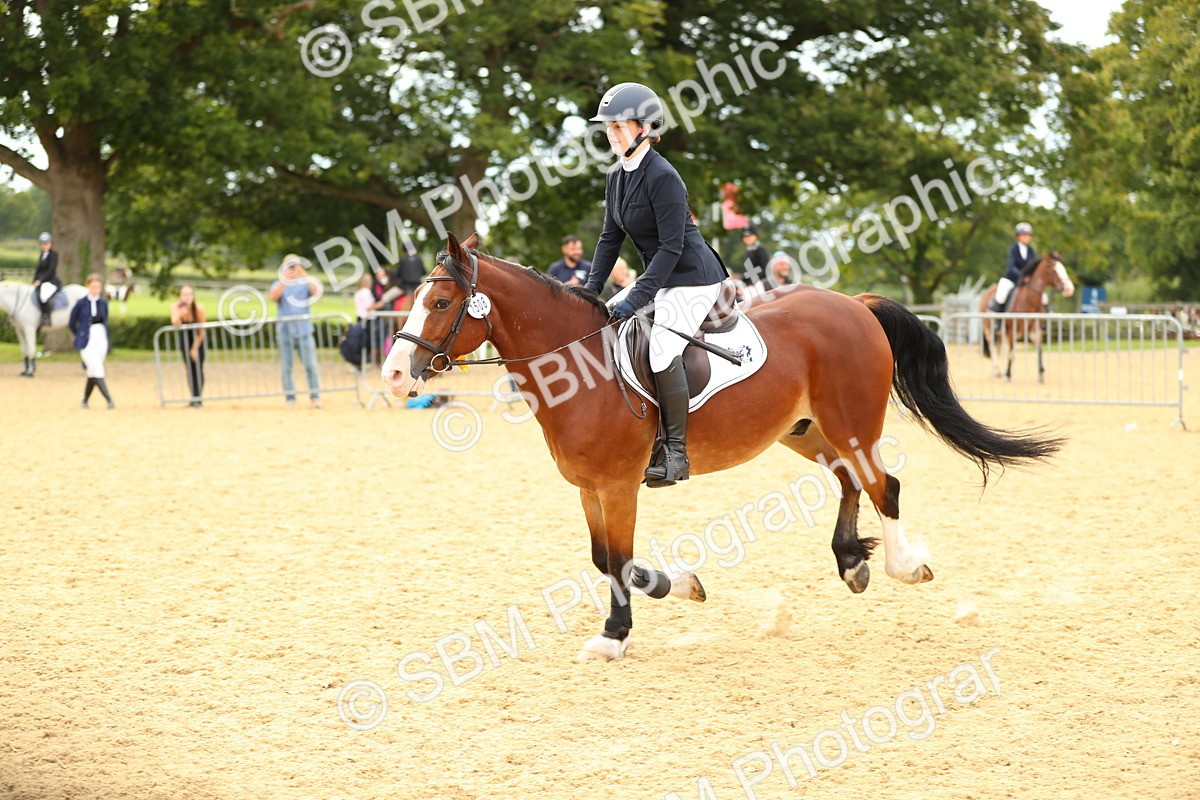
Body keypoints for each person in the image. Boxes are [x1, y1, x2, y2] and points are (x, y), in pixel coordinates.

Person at [583, 82, 729, 488]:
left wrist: (640, 295)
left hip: (691, 278)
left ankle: (676, 452)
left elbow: (671, 246)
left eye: (619, 125)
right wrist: (591, 291)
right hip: (658, 277)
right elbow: (609, 239)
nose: (611, 133)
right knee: (606, 325)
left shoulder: (664, 176)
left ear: (644, 128)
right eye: (607, 127)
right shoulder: (616, 176)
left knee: (663, 347)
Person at [269, 254, 322, 408]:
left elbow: (315, 291)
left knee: (311, 365)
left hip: (304, 330)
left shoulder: (305, 283)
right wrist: (285, 279)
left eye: (295, 266)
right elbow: (273, 296)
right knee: (286, 367)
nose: (292, 269)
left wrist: (304, 275)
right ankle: (290, 398)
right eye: (289, 266)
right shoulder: (279, 283)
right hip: (285, 330)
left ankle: (315, 396)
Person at [68, 273, 114, 409]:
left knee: (93, 371)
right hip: (87, 338)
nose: (96, 290)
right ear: (88, 286)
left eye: (98, 287)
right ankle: (109, 399)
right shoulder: (81, 303)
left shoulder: (103, 303)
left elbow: (106, 320)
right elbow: (71, 322)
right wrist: (79, 335)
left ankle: (85, 400)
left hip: (100, 337)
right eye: (93, 287)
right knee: (97, 369)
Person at [170, 285, 206, 407]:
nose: (187, 297)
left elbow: (201, 331)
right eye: (184, 294)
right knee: (189, 370)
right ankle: (193, 397)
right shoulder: (176, 307)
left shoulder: (199, 308)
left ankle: (198, 398)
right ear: (180, 296)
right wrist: (181, 313)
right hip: (184, 340)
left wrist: (194, 348)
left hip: (197, 341)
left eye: (189, 294)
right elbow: (175, 323)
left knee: (198, 369)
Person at [991, 222, 1039, 313]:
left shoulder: (1031, 251)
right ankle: (997, 320)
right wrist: (1022, 276)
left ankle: (1043, 320)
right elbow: (1011, 266)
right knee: (1001, 296)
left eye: (1028, 235)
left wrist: (1030, 277)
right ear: (1018, 236)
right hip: (1012, 278)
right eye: (1024, 235)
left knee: (1043, 297)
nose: (1026, 237)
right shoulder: (1013, 249)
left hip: (1027, 281)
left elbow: (1034, 267)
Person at [32, 232, 59, 328]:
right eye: (43, 243)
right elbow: (38, 270)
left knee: (43, 295)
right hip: (40, 281)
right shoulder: (42, 255)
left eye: (47, 243)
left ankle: (46, 316)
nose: (45, 245)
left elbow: (51, 270)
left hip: (50, 281)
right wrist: (34, 280)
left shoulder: (54, 255)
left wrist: (40, 280)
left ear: (51, 243)